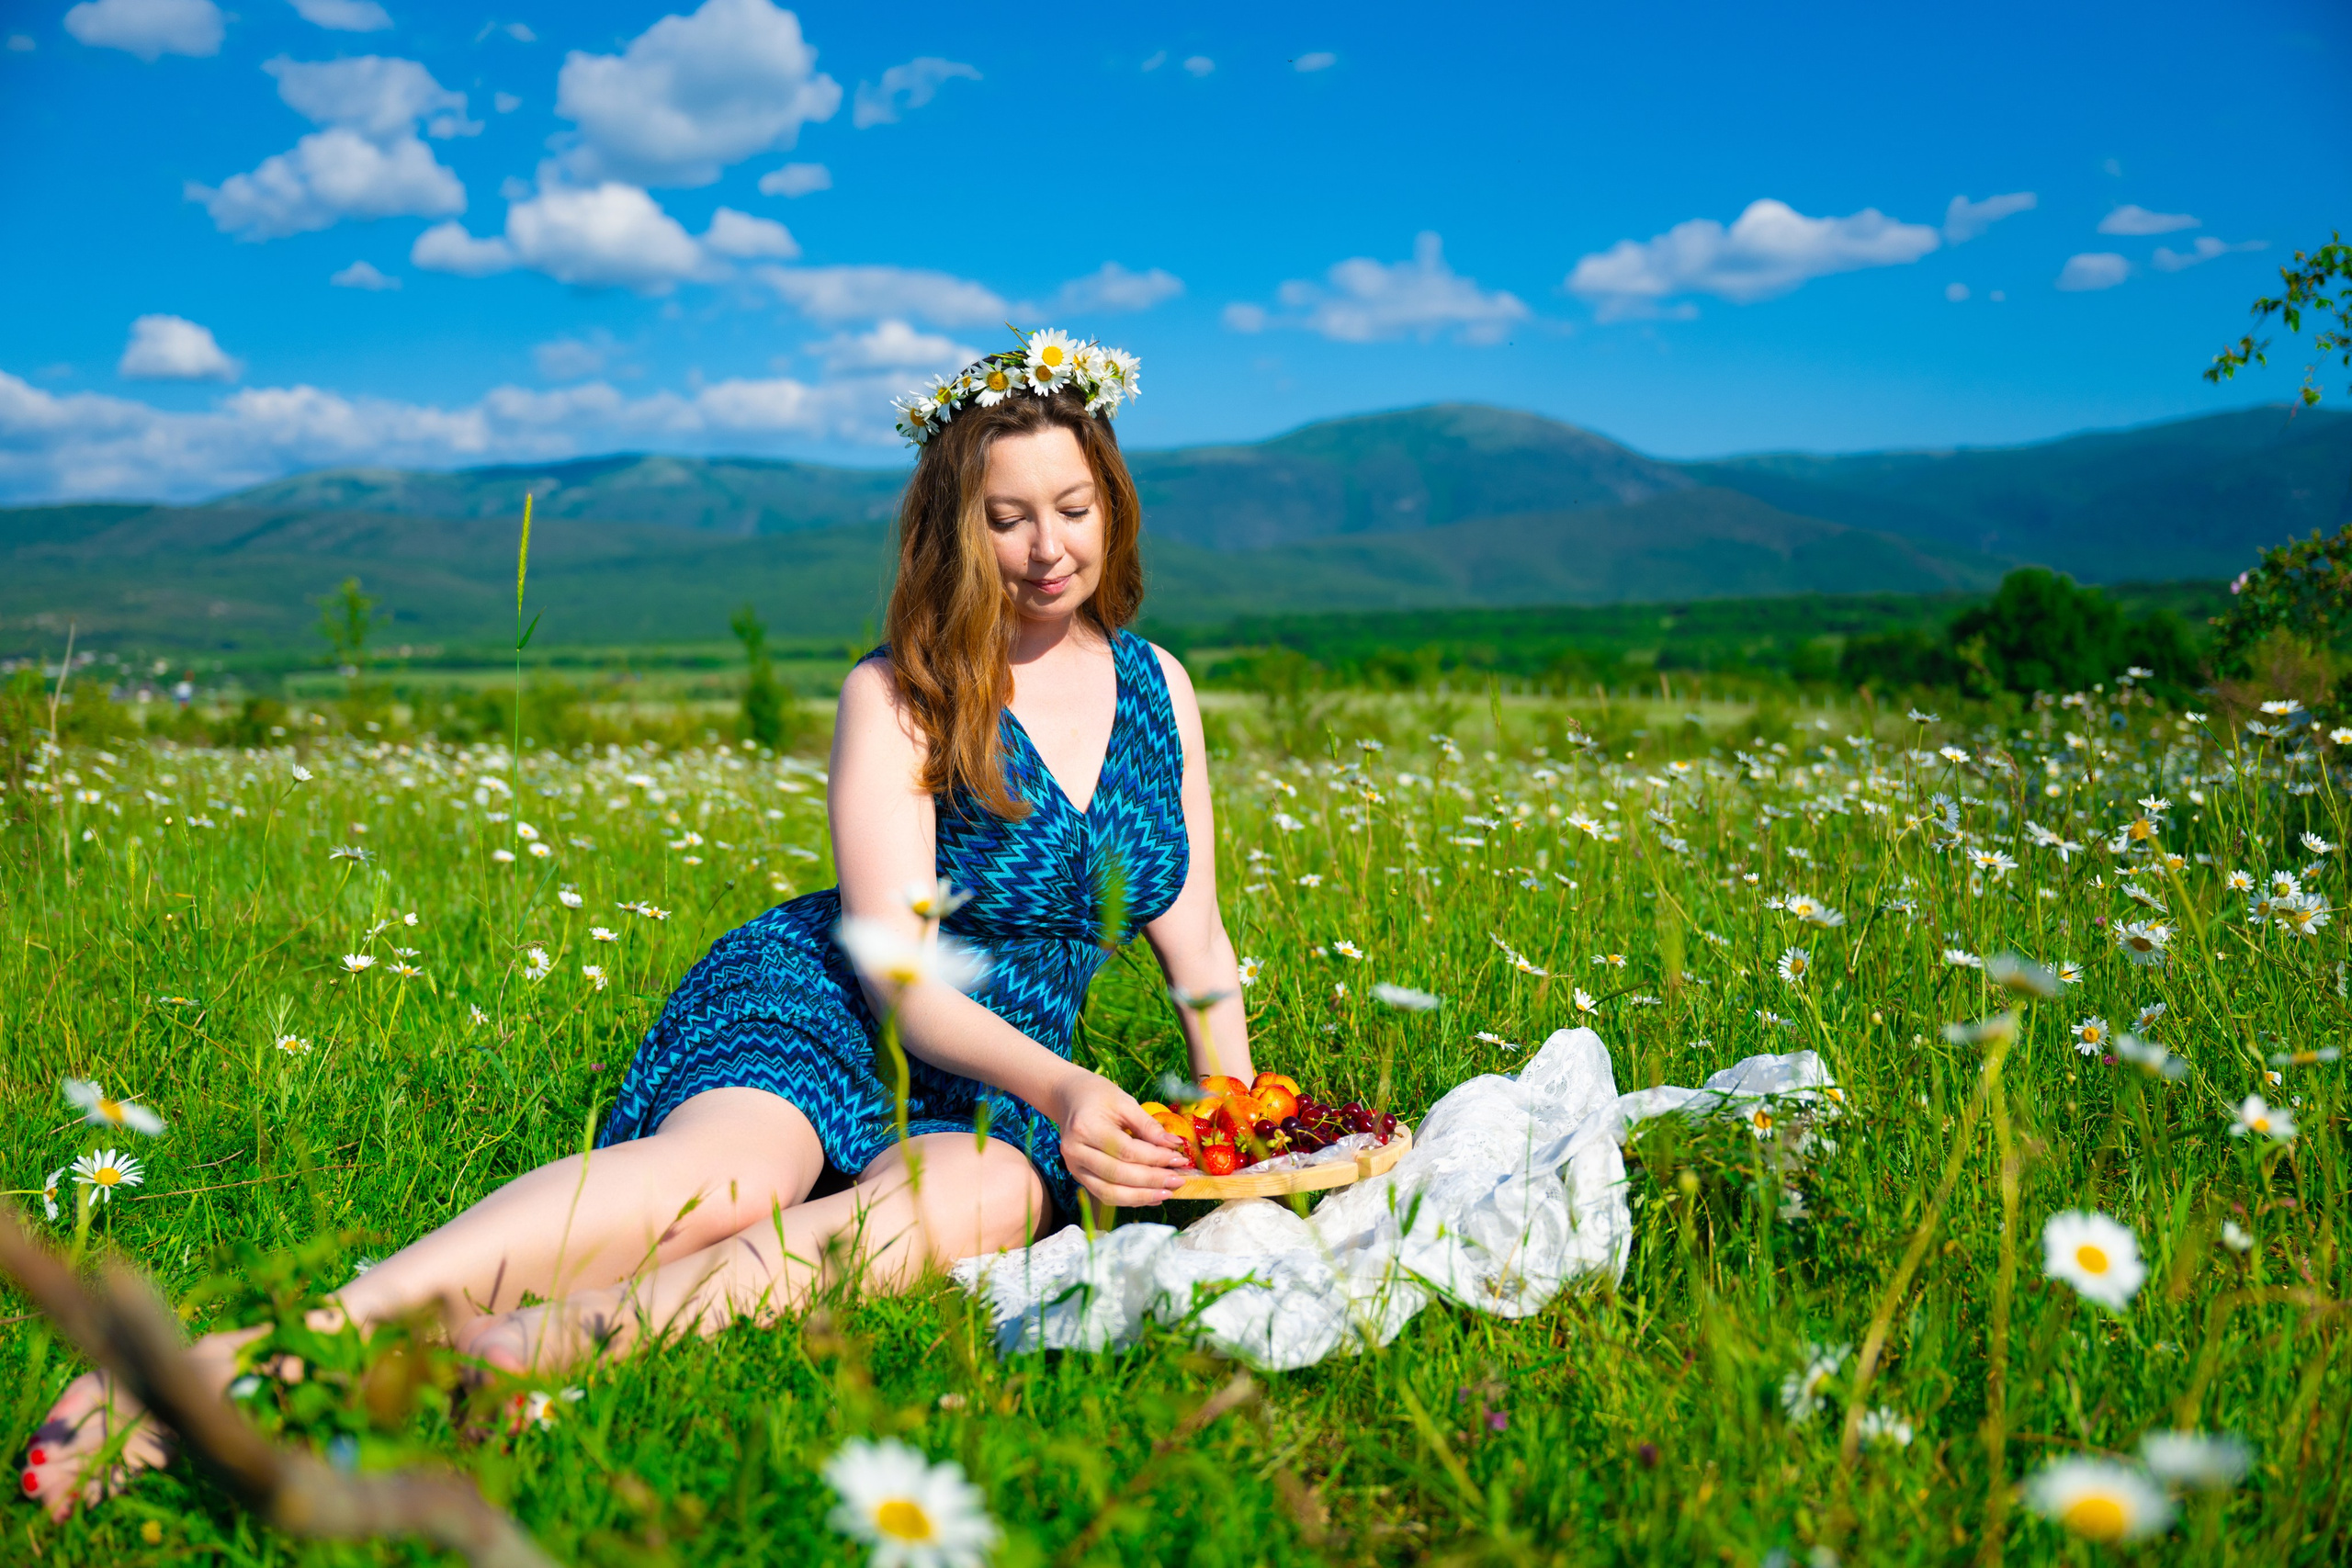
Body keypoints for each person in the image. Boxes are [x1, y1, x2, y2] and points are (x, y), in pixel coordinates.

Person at [22, 330, 1254, 1518]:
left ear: (1115, 505)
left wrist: (1245, 1140)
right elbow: (901, 977)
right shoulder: (902, 691)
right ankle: (238, 1368)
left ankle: (539, 1347)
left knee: (983, 1202)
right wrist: (1071, 1090)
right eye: (1008, 515)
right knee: (723, 1180)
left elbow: (1194, 947)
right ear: (957, 527)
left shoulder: (1160, 688)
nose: (1048, 546)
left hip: (1005, 1086)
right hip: (831, 1006)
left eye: (1076, 507)